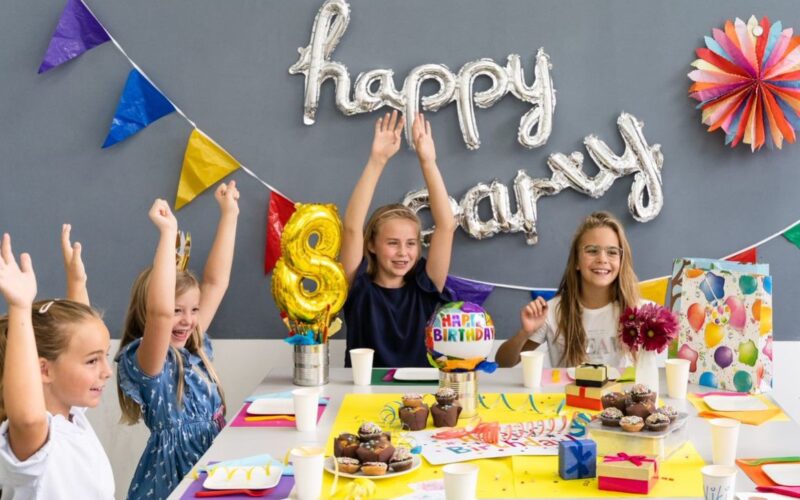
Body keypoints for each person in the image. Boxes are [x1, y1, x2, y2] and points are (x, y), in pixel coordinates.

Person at [116, 182, 239, 499]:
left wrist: (230, 214)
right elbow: (159, 315)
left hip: (211, 468)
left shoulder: (194, 347)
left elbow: (216, 281)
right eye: (177, 311)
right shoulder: (148, 360)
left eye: (194, 310)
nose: (187, 320)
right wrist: (167, 234)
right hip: (172, 482)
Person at [0, 228, 115, 498]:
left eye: (105, 357)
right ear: (43, 369)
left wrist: (77, 282)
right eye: (92, 361)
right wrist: (19, 307)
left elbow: (77, 340)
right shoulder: (37, 443)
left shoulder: (70, 417)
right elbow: (27, 418)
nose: (107, 372)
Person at [340, 111, 456, 367]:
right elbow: (351, 228)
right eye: (392, 243)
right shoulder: (356, 286)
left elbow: (446, 226)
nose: (403, 252)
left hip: (420, 398)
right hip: (363, 395)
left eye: (411, 243)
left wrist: (428, 162)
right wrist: (377, 161)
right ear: (371, 244)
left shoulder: (426, 285)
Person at [496, 211, 642, 368]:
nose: (602, 259)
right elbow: (503, 362)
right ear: (576, 261)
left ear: (621, 261)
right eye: (592, 250)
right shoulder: (551, 311)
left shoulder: (639, 312)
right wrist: (525, 332)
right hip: (567, 393)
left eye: (612, 252)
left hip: (622, 393)